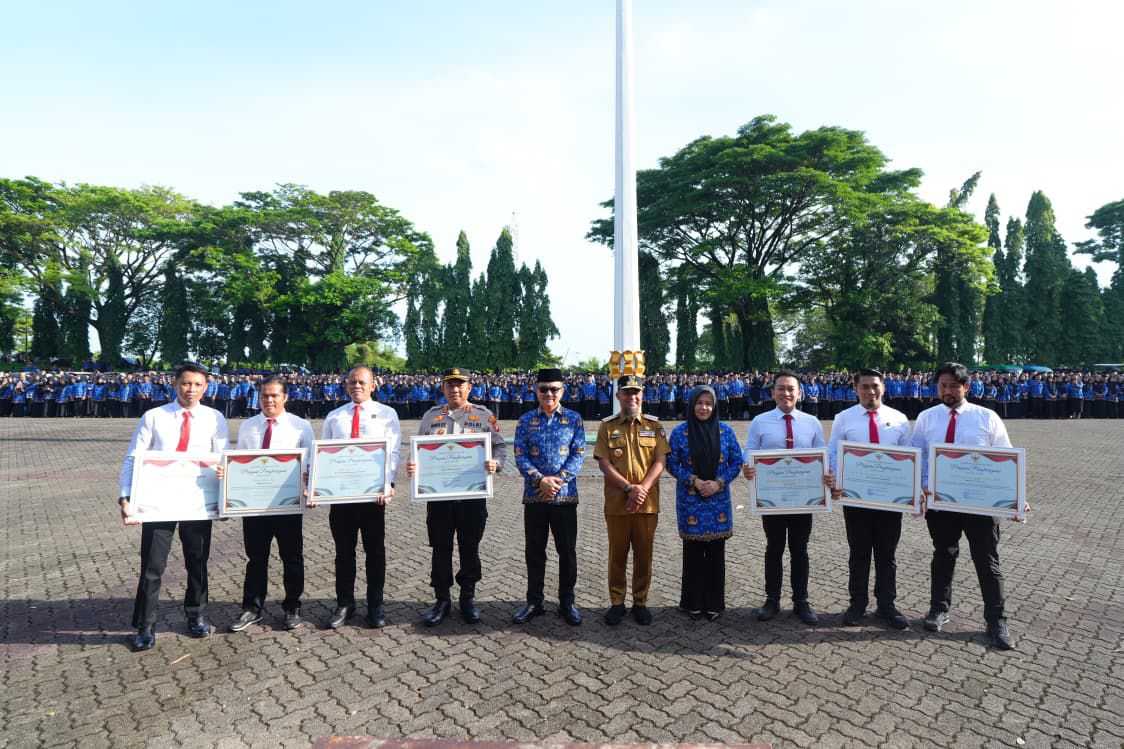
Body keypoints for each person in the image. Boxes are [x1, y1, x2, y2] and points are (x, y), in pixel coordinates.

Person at [118, 362, 229, 651]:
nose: (190, 389)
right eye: (185, 383)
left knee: (198, 563)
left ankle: (196, 615)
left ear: (206, 387)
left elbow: (223, 458)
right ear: (175, 384)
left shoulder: (215, 418)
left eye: (197, 384)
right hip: (160, 503)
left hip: (197, 502)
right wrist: (125, 497)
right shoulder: (154, 417)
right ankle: (145, 625)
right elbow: (134, 458)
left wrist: (224, 480)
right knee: (153, 566)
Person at [911, 361, 1018, 650]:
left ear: (966, 387)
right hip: (941, 503)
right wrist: (921, 487)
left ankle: (996, 620)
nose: (947, 391)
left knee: (987, 560)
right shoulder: (926, 418)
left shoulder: (987, 417)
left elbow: (1006, 458)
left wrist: (1016, 498)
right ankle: (939, 609)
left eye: (953, 386)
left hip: (981, 505)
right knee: (943, 555)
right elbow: (917, 456)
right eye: (942, 386)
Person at [406, 368, 505, 626]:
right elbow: (419, 450)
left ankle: (467, 598)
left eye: (460, 385)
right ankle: (441, 599)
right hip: (439, 497)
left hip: (472, 496)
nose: (455, 389)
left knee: (470, 547)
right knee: (440, 547)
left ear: (469, 388)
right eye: (450, 385)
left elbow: (500, 446)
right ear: (443, 389)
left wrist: (496, 462)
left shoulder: (484, 416)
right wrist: (413, 465)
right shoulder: (431, 416)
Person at [222, 376, 315, 633]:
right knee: (256, 559)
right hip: (254, 506)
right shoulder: (248, 426)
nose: (269, 400)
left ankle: (292, 606)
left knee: (292, 557)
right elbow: (240, 462)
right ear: (259, 397)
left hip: (287, 504)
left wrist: (310, 487)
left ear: (285, 397)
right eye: (265, 396)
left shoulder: (300, 426)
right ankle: (252, 608)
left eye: (275, 395)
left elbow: (310, 464)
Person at [742, 370, 833, 625]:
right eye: (781, 388)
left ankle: (801, 601)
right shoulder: (760, 421)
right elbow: (750, 449)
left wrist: (827, 473)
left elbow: (822, 453)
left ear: (800, 393)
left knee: (800, 550)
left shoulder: (811, 422)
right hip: (772, 499)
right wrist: (747, 465)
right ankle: (772, 600)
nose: (786, 393)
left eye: (791, 388)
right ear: (772, 393)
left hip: (803, 499)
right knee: (774, 548)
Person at [827, 368, 912, 629]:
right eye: (864, 386)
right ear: (855, 389)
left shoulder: (899, 419)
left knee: (887, 554)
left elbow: (909, 456)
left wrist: (909, 491)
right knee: (859, 552)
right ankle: (858, 604)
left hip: (890, 500)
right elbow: (833, 454)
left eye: (875, 386)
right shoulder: (843, 418)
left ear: (883, 388)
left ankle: (887, 605)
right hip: (856, 499)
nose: (870, 391)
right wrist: (835, 481)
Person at [320, 366, 401, 630]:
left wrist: (387, 484)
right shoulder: (334, 416)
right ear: (346, 385)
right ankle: (345, 603)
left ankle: (375, 605)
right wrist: (320, 486)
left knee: (375, 552)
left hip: (373, 498)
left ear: (373, 385)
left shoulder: (388, 414)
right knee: (343, 553)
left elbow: (394, 452)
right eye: (352, 382)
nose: (357, 386)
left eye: (362, 382)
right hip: (341, 498)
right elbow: (324, 456)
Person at [511, 368, 587, 625]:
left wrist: (558, 480)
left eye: (554, 389)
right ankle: (534, 601)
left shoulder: (575, 419)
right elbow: (520, 454)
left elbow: (579, 454)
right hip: (535, 496)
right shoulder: (525, 420)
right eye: (543, 389)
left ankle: (567, 601)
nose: (549, 393)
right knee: (534, 551)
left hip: (564, 496)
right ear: (536, 390)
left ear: (563, 391)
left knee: (566, 552)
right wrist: (539, 480)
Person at [593, 375, 670, 625]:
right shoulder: (607, 427)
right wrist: (629, 488)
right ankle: (617, 601)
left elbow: (661, 461)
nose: (631, 397)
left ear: (642, 395)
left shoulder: (654, 425)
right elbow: (604, 463)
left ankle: (640, 601)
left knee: (644, 554)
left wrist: (642, 488)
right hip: (617, 502)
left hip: (647, 503)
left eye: (636, 392)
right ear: (618, 396)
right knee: (617, 554)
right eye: (626, 392)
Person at [665, 385, 743, 621]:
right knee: (693, 553)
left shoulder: (726, 432)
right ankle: (692, 602)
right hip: (691, 500)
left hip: (718, 500)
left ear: (715, 406)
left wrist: (719, 483)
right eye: (699, 402)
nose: (704, 407)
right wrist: (694, 480)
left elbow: (736, 462)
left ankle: (714, 603)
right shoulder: (679, 433)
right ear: (691, 405)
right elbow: (671, 463)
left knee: (716, 553)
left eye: (709, 403)